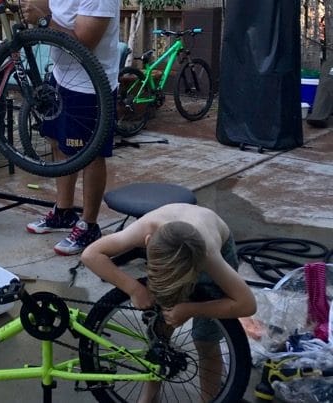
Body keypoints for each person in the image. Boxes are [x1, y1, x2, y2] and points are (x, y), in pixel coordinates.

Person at [81, 203, 257, 403]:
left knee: (205, 339)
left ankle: (208, 398)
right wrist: (134, 289)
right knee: (159, 332)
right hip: (181, 242)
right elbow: (90, 255)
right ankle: (150, 395)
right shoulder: (145, 228)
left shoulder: (208, 256)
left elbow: (247, 304)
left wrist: (191, 309)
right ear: (147, 242)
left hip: (211, 245)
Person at [22, 0, 120, 256]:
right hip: (61, 75)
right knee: (58, 142)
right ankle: (63, 211)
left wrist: (43, 20)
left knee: (91, 155)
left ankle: (89, 225)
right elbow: (42, 6)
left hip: (90, 85)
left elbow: (83, 44)